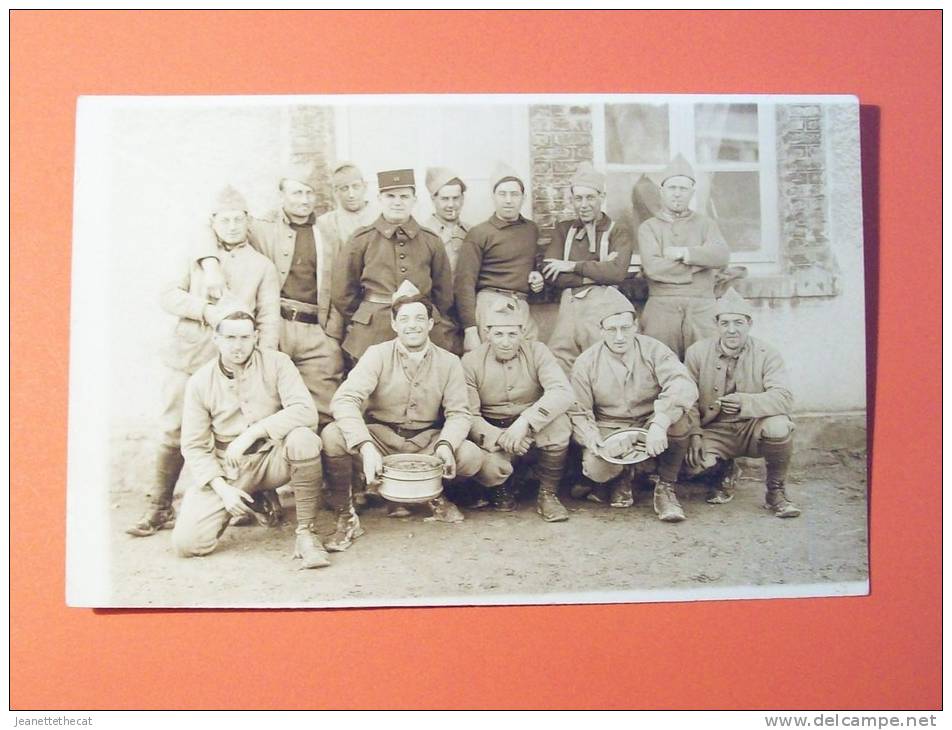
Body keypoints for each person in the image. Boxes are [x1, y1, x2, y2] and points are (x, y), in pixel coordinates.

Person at [126, 186, 281, 538]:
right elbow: (167, 296)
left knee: (240, 428)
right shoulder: (196, 258)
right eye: (224, 220)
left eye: (238, 219)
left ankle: (250, 497)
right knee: (174, 428)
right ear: (213, 222)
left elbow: (269, 318)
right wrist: (206, 311)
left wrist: (262, 363)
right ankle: (160, 506)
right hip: (189, 356)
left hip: (236, 363)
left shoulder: (262, 266)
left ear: (248, 222)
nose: (231, 226)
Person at [171, 308, 348, 568]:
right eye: (230, 338)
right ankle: (258, 498)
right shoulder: (199, 382)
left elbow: (305, 411)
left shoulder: (278, 363)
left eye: (244, 338)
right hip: (230, 469)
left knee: (303, 439)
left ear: (256, 337)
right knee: (187, 544)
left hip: (273, 456)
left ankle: (306, 534)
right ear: (216, 340)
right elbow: (194, 446)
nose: (238, 345)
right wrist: (223, 491)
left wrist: (253, 433)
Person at [321, 281, 485, 523]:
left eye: (419, 318)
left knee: (470, 456)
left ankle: (435, 495)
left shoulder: (449, 362)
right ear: (394, 324)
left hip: (426, 443)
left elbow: (459, 413)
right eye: (405, 319)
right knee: (333, 435)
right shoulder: (377, 354)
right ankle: (345, 502)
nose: (412, 326)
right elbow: (344, 400)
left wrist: (446, 445)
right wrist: (366, 445)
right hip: (382, 440)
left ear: (430, 324)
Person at [196, 164, 345, 428]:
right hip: (275, 326)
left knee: (323, 409)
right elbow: (212, 227)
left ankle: (316, 465)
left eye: (309, 193)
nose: (304, 199)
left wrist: (332, 333)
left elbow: (343, 283)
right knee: (271, 401)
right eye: (297, 192)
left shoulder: (328, 234)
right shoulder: (260, 227)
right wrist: (210, 264)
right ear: (282, 195)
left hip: (316, 331)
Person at [569, 288, 698, 522]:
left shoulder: (654, 350)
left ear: (636, 326)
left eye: (625, 328)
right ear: (600, 330)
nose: (619, 336)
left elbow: (682, 383)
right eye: (611, 329)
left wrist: (660, 422)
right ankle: (623, 475)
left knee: (680, 420)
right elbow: (579, 410)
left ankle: (666, 487)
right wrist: (592, 438)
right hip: (611, 428)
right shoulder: (586, 363)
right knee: (596, 468)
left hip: (650, 423)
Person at [684, 288, 800, 517]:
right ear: (716, 325)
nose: (732, 330)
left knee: (779, 426)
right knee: (691, 465)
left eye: (738, 323)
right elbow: (686, 398)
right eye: (725, 323)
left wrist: (745, 402)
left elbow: (784, 397)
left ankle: (775, 491)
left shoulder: (768, 353)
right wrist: (694, 434)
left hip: (753, 427)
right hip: (715, 429)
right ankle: (723, 471)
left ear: (749, 324)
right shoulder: (697, 353)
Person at [462, 300, 574, 522]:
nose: (506, 342)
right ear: (487, 333)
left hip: (531, 427)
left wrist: (525, 423)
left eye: (512, 334)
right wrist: (501, 438)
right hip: (493, 429)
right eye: (499, 334)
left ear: (522, 332)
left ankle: (548, 494)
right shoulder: (471, 361)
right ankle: (501, 485)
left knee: (560, 425)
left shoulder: (538, 351)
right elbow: (469, 414)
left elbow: (562, 392)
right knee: (492, 469)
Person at [332, 168, 455, 361]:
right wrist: (366, 316)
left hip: (421, 328)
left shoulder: (431, 241)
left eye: (404, 196)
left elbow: (443, 294)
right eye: (390, 196)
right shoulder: (362, 239)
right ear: (380, 198)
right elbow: (343, 293)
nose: (397, 202)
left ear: (414, 200)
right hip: (373, 330)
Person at [542, 162, 635, 374]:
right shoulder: (564, 230)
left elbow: (617, 273)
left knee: (603, 363)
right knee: (559, 360)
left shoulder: (617, 231)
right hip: (569, 306)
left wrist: (573, 266)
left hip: (604, 309)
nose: (584, 204)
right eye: (578, 198)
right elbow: (551, 274)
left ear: (602, 197)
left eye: (590, 197)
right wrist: (599, 273)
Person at [638, 154, 731, 359]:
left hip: (702, 306)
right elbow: (653, 268)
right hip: (661, 307)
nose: (677, 194)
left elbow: (721, 255)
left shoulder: (706, 224)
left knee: (708, 363)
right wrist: (702, 264)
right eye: (672, 188)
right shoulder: (649, 228)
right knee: (659, 364)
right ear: (661, 191)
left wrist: (686, 254)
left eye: (683, 188)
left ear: (692, 192)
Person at [455, 162, 545, 352]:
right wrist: (470, 330)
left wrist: (537, 275)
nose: (508, 200)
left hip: (521, 305)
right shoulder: (479, 233)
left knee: (530, 358)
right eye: (502, 194)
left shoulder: (531, 229)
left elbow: (536, 264)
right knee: (490, 363)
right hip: (490, 304)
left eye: (514, 194)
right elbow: (464, 284)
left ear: (523, 198)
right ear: (493, 197)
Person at [424, 166, 471, 355]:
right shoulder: (423, 233)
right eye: (444, 199)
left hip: (467, 313)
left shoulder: (472, 232)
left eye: (456, 198)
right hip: (438, 314)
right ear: (433, 199)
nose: (451, 204)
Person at [315, 161, 379, 258]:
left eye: (356, 187)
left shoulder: (381, 216)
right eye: (344, 188)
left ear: (365, 187)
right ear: (336, 192)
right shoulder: (326, 223)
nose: (351, 194)